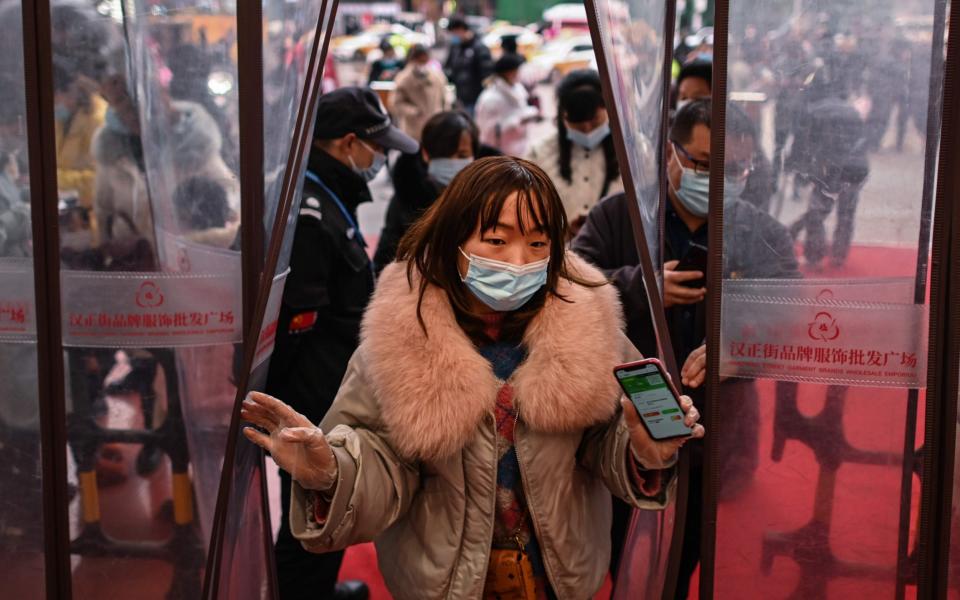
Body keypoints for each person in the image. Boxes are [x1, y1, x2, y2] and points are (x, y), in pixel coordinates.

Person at [243, 156, 704, 600]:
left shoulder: (591, 329)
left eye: (538, 243)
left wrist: (642, 450)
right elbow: (384, 463)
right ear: (454, 240)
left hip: (557, 579)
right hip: (441, 583)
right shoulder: (397, 342)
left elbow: (601, 442)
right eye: (497, 241)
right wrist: (331, 471)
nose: (520, 260)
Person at [572, 99, 799, 598]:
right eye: (701, 165)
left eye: (735, 168)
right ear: (670, 156)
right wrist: (640, 285)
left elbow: (792, 313)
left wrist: (736, 345)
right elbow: (570, 284)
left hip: (713, 427)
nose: (717, 180)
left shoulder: (762, 232)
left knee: (688, 547)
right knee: (617, 538)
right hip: (620, 418)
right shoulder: (621, 215)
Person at [264, 86, 418, 600]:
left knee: (322, 505)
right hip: (314, 392)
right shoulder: (309, 214)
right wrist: (298, 408)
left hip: (328, 381)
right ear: (348, 143)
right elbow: (297, 327)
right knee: (308, 509)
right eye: (377, 148)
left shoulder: (327, 196)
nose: (379, 160)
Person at [373, 110, 481, 274]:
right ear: (425, 154)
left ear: (474, 155)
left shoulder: (488, 196)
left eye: (462, 155)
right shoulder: (407, 196)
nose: (453, 162)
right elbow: (386, 257)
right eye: (444, 155)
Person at [526, 69, 622, 233]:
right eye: (577, 123)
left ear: (608, 109)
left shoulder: (633, 151)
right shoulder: (539, 154)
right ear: (562, 117)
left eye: (594, 121)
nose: (586, 130)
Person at [475, 54, 539, 157]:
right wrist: (517, 120)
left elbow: (521, 110)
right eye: (518, 70)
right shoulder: (490, 98)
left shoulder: (517, 88)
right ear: (509, 73)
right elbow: (487, 132)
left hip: (519, 149)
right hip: (501, 154)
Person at [392, 44, 448, 141]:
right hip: (413, 129)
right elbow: (396, 104)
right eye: (420, 59)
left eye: (425, 59)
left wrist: (443, 114)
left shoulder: (437, 76)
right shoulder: (403, 79)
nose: (423, 62)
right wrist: (414, 111)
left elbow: (445, 97)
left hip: (436, 126)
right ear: (413, 59)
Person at [444, 16, 493, 115]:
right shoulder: (455, 48)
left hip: (476, 100)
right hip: (460, 99)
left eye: (454, 33)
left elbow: (488, 75)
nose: (453, 36)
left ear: (461, 29)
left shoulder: (479, 48)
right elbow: (448, 68)